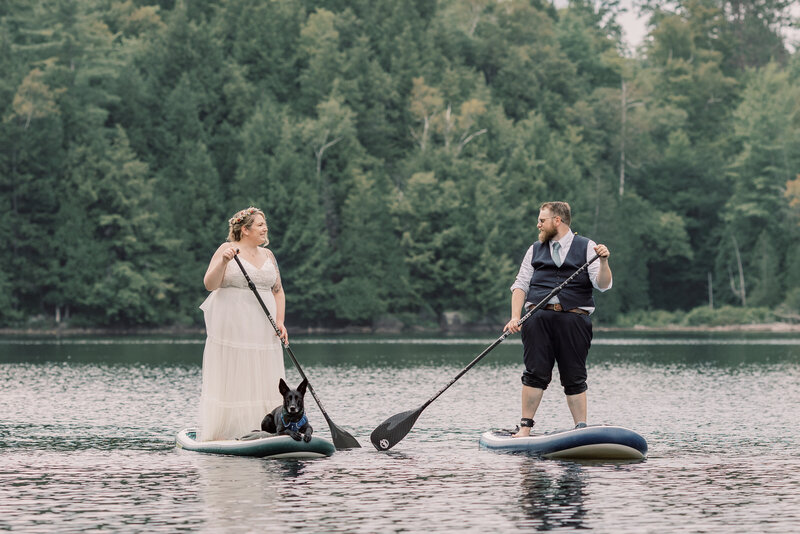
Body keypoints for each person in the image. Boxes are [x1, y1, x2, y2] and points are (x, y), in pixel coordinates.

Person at [504, 201, 612, 437]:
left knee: (574, 374)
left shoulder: (587, 247)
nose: (538, 225)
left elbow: (603, 285)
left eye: (542, 220)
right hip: (538, 319)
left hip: (574, 319)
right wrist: (515, 316)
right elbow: (520, 285)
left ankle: (581, 429)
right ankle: (525, 428)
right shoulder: (534, 249)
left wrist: (603, 261)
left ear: (557, 221)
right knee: (534, 373)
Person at [198, 207, 289, 441]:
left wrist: (280, 321)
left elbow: (278, 291)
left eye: (265, 224)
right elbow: (210, 284)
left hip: (264, 326)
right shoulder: (226, 249)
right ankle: (232, 431)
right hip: (233, 323)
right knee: (237, 372)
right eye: (260, 224)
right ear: (245, 229)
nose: (265, 228)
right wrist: (223, 262)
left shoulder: (268, 256)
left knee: (264, 373)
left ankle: (270, 426)